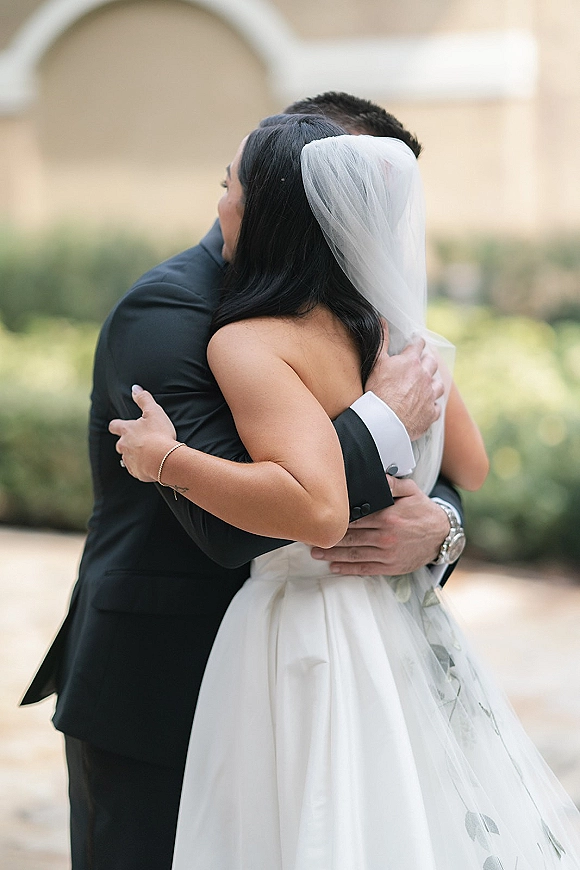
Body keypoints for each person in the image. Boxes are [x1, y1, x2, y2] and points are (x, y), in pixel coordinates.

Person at [112, 118, 580, 868]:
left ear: (270, 213)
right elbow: (473, 465)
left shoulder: (251, 340)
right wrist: (415, 482)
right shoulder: (395, 330)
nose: (221, 203)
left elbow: (318, 506)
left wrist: (166, 458)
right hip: (394, 627)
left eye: (230, 187)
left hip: (304, 630)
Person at [21, 95, 461, 870]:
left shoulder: (355, 313)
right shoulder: (169, 314)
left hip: (318, 680)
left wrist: (442, 530)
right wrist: (380, 419)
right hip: (162, 691)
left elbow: (455, 471)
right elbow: (230, 528)